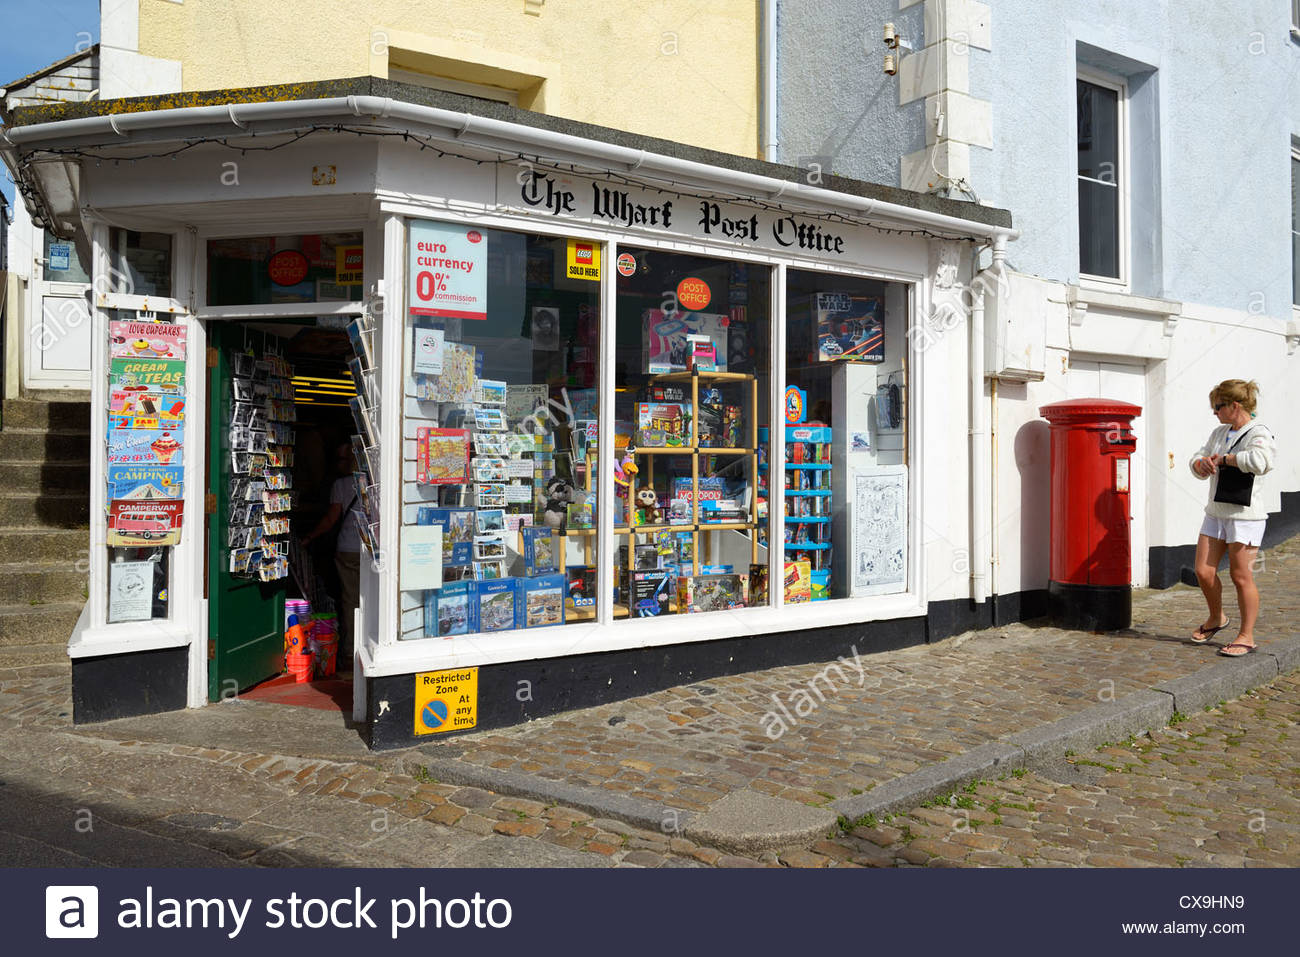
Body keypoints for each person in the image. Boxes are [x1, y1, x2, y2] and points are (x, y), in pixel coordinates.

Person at [1188, 380, 1275, 657]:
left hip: (1244, 516)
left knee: (1241, 576)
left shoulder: (1258, 433)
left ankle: (1246, 636)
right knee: (1203, 571)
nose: (1214, 412)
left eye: (1218, 407)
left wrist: (1226, 459)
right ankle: (1217, 618)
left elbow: (1262, 462)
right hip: (1216, 512)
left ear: (1234, 405)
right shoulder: (1219, 431)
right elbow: (1199, 456)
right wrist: (1200, 464)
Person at [302, 443, 364, 664]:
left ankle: (350, 648)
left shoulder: (341, 484)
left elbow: (331, 519)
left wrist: (309, 537)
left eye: (341, 460)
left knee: (350, 599)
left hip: (347, 548)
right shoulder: (375, 482)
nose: (337, 464)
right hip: (372, 550)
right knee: (371, 598)